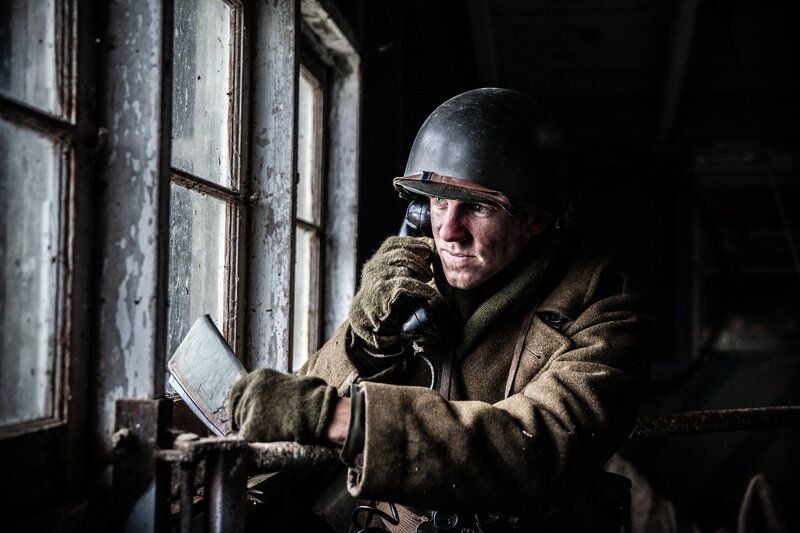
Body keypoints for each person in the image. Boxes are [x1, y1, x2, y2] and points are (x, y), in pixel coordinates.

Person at [228, 87, 651, 532]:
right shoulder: (412, 279)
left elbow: (543, 446)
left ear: (536, 219)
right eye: (438, 202)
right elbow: (307, 394)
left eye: (478, 206)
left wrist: (341, 418)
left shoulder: (608, 309)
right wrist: (368, 343)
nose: (448, 231)